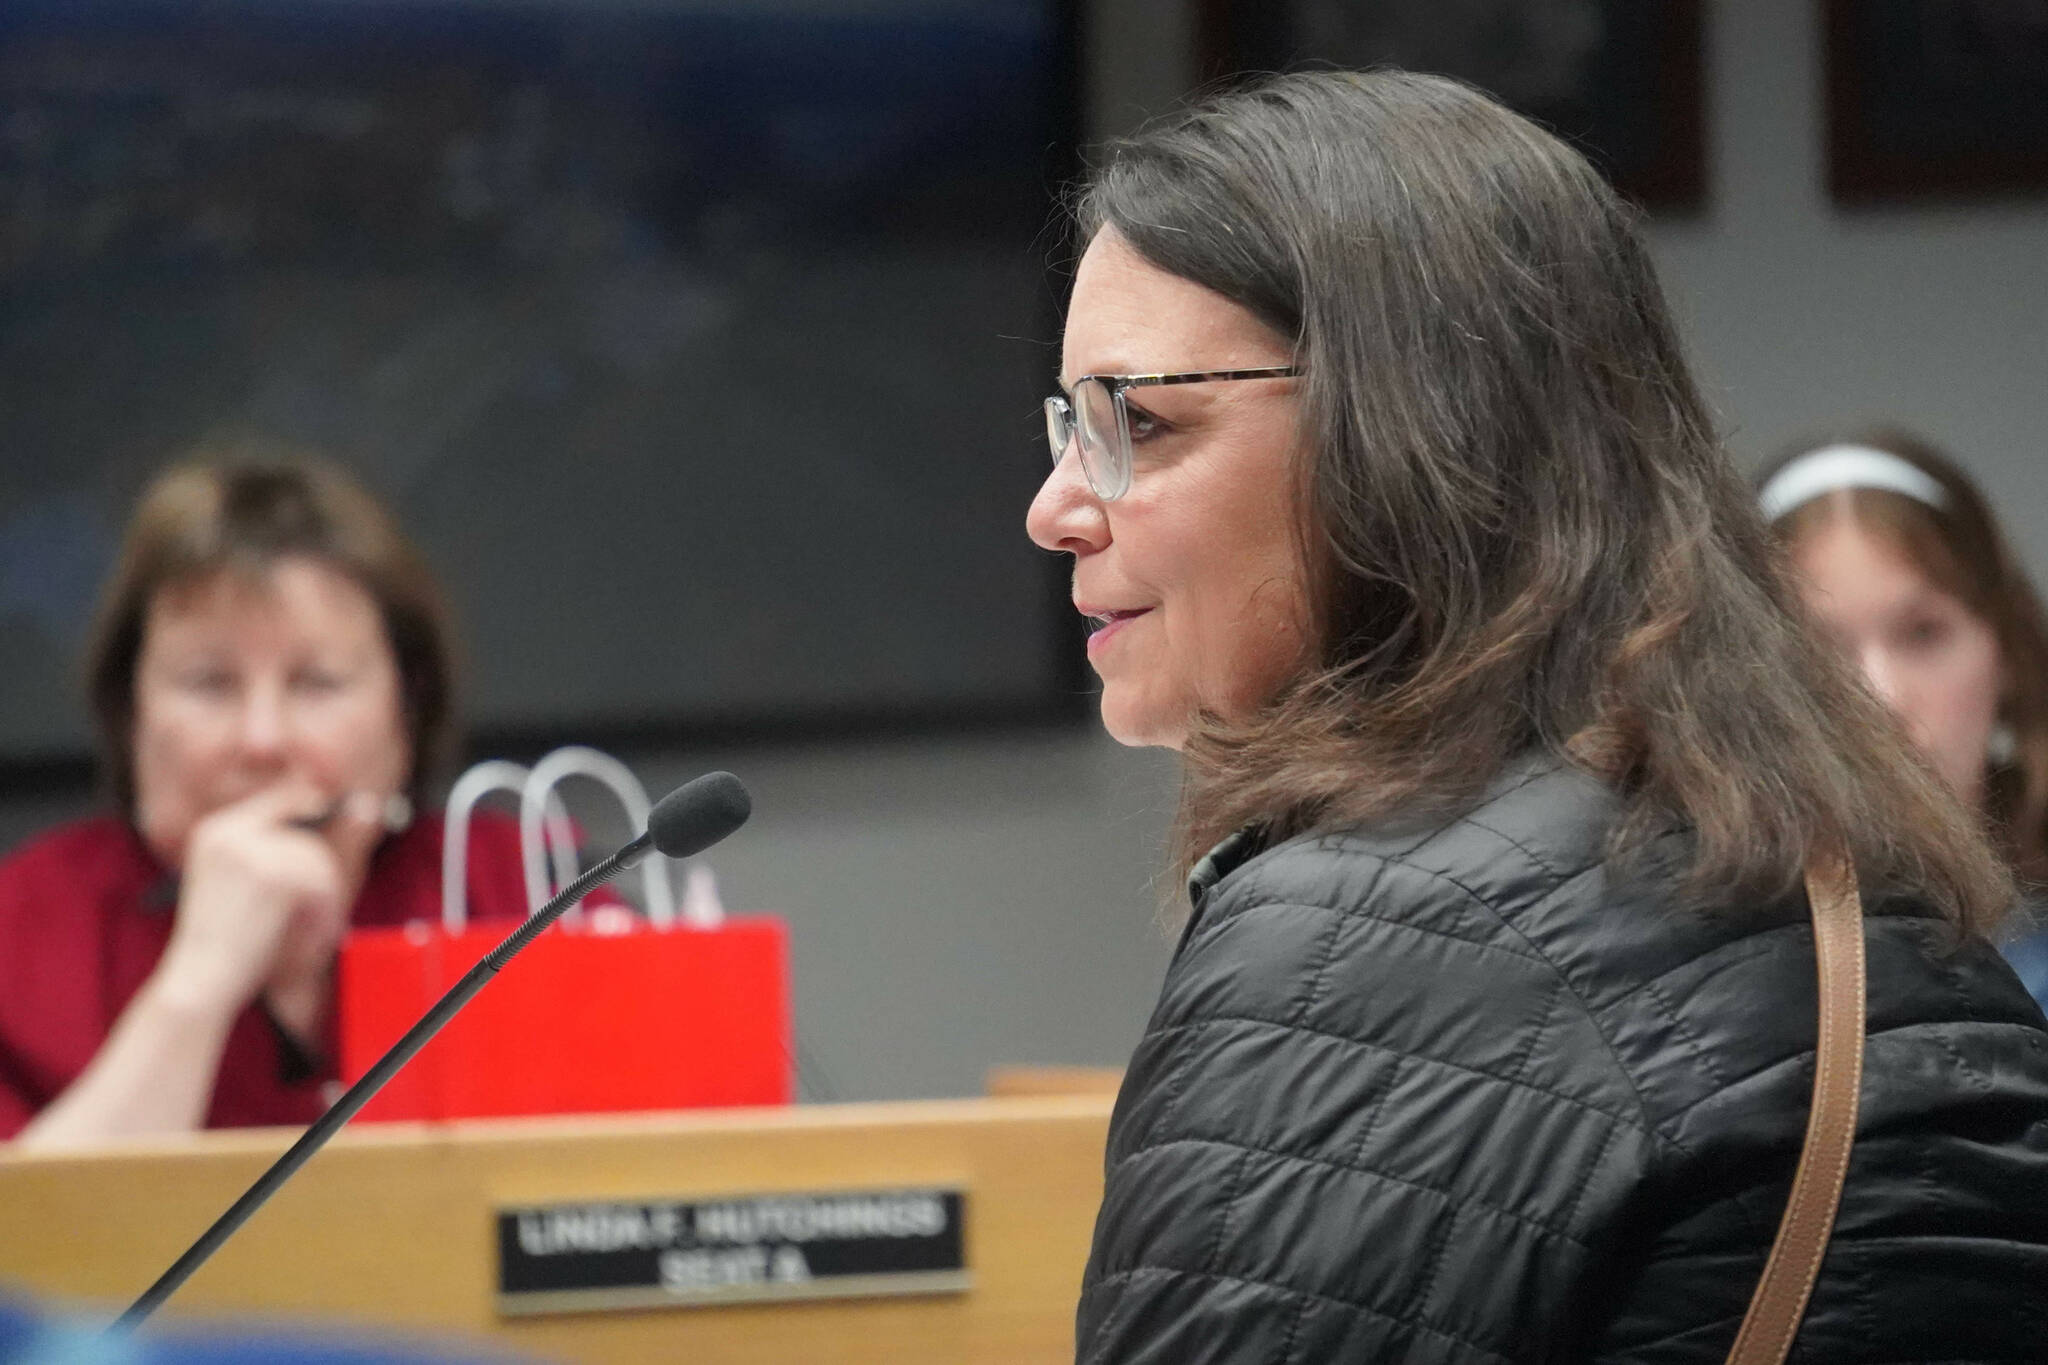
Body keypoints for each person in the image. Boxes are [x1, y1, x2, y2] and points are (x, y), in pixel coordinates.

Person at [1027, 71, 2048, 1363]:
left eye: (1141, 421)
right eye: (1068, 426)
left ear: (1407, 429)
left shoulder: (1369, 934)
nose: (1056, 507)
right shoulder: (1878, 882)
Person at [0, 451, 533, 1147]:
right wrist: (199, 981)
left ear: (407, 712)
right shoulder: (24, 925)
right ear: (132, 712)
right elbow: (29, 1247)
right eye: (209, 683)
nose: (262, 740)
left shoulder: (523, 887)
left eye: (318, 682)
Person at [1759, 431, 2048, 1010]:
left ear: (2007, 652)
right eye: (1819, 649)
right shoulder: (1693, 957)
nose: (1880, 697)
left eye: (1923, 634)